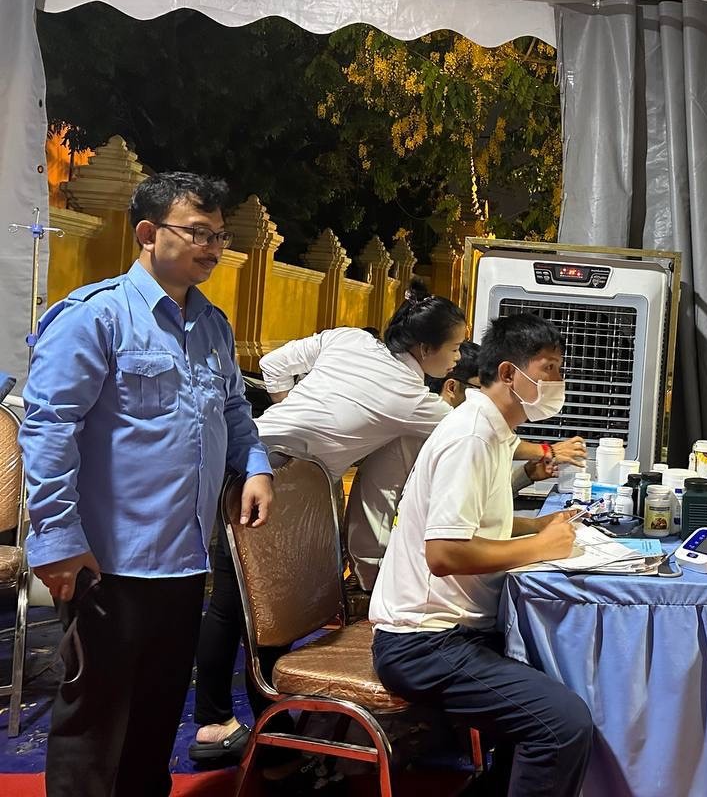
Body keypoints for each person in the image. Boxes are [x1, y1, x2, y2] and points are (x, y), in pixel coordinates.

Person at [190, 295, 586, 758]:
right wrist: (546, 457)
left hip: (265, 456)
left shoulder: (351, 339)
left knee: (245, 605)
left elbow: (273, 363)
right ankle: (221, 723)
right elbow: (485, 439)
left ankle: (263, 729)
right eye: (453, 349)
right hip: (266, 477)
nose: (458, 358)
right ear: (425, 349)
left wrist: (292, 413)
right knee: (245, 606)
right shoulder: (414, 402)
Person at [20, 172, 273, 797]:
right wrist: (57, 538)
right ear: (147, 233)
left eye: (219, 236)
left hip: (184, 558)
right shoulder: (95, 316)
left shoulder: (212, 325)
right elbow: (49, 429)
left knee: (157, 715)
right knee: (95, 723)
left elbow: (233, 409)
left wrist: (256, 466)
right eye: (198, 233)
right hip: (108, 561)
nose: (212, 248)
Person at [371, 313, 593, 797]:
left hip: (457, 631)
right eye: (549, 368)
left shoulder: (496, 433)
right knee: (562, 725)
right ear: (510, 373)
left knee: (566, 678)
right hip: (422, 642)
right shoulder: (470, 437)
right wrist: (540, 546)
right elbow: (444, 553)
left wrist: (537, 526)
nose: (558, 381)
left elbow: (477, 523)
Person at [425, 340, 560, 493]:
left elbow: (483, 497)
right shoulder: (467, 433)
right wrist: (548, 450)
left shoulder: (480, 428)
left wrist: (527, 474)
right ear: (451, 387)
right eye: (479, 388)